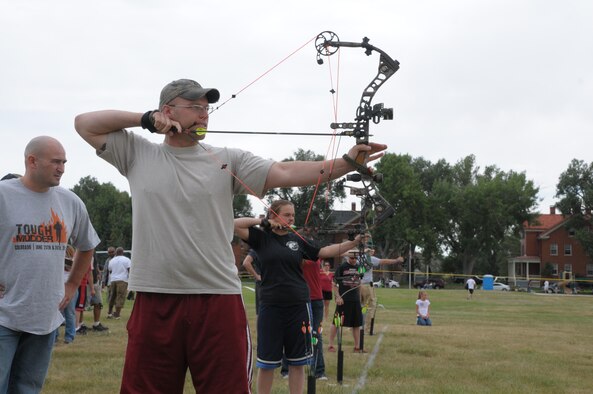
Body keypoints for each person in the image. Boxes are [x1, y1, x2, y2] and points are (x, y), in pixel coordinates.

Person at [74, 78, 387, 393]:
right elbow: (85, 124)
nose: (204, 115)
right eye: (194, 107)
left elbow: (287, 171)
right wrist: (144, 119)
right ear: (167, 110)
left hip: (217, 297)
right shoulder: (137, 153)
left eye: (206, 108)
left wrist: (345, 164)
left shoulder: (226, 158)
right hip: (155, 296)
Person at [234, 200, 367, 394]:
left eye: (293, 215)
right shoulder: (261, 238)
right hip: (271, 307)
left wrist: (354, 242)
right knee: (267, 363)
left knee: (298, 361)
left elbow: (324, 251)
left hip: (298, 307)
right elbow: (235, 224)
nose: (291, 218)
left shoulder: (297, 240)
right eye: (286, 215)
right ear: (274, 215)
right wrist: (263, 222)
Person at [0, 136, 100, 393]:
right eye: (56, 161)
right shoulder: (4, 195)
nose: (62, 168)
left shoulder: (70, 201)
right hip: (4, 313)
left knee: (27, 388)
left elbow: (87, 245)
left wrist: (73, 285)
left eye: (64, 162)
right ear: (32, 161)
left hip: (45, 314)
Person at [328, 251, 365, 353]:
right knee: (336, 322)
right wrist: (338, 297)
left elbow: (359, 283)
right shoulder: (342, 267)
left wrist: (361, 297)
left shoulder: (359, 267)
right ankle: (330, 345)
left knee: (357, 324)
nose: (353, 260)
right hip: (343, 299)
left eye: (355, 258)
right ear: (348, 257)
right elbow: (334, 283)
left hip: (355, 299)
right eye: (351, 258)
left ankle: (357, 347)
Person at [359, 249, 404, 335]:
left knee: (361, 307)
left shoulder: (357, 257)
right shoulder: (370, 259)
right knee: (370, 307)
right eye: (371, 250)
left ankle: (356, 327)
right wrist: (396, 260)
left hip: (358, 285)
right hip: (367, 286)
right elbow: (384, 261)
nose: (373, 251)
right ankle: (367, 329)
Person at [107, 247, 131, 319]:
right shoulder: (127, 260)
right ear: (123, 252)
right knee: (120, 296)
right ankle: (117, 314)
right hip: (123, 280)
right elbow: (129, 269)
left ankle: (110, 313)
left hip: (113, 280)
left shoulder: (111, 260)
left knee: (112, 296)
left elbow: (110, 271)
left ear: (116, 252)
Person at [89, 254, 109, 332]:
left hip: (95, 281)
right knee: (81, 306)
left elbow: (95, 263)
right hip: (87, 281)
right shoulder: (84, 247)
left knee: (99, 303)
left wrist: (98, 272)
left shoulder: (93, 250)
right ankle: (80, 325)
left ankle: (96, 324)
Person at [242, 249, 262, 314]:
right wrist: (257, 276)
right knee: (262, 309)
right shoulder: (256, 250)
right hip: (263, 284)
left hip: (271, 284)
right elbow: (246, 263)